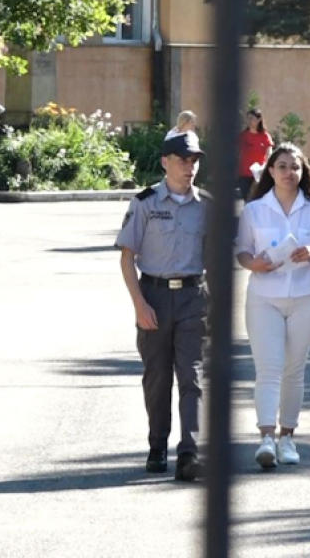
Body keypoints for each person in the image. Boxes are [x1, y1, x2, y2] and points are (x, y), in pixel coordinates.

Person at [234, 142, 310, 469]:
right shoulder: (254, 210)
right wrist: (254, 264)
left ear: (303, 171)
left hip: (306, 298)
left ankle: (287, 438)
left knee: (294, 369)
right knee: (268, 368)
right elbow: (242, 251)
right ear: (270, 170)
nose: (289, 172)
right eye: (282, 166)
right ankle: (266, 438)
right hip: (264, 299)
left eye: (295, 167)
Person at [115, 132, 210, 482]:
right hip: (153, 295)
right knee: (157, 378)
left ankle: (189, 452)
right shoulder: (145, 203)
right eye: (183, 160)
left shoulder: (206, 206)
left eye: (194, 160)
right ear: (165, 162)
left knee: (191, 376)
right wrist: (139, 304)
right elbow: (127, 259)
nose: (190, 167)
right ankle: (157, 445)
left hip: (192, 297)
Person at [238, 109, 273, 199]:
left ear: (258, 120)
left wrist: (266, 167)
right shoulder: (243, 136)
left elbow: (269, 153)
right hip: (244, 173)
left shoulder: (265, 136)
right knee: (246, 197)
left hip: (259, 174)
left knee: (258, 197)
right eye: (248, 118)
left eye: (252, 118)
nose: (249, 121)